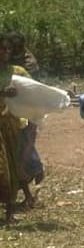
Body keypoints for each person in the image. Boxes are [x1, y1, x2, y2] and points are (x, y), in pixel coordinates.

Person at [8, 33, 44, 207]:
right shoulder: (8, 65)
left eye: (14, 48)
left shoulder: (28, 65)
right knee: (17, 155)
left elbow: (32, 89)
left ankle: (34, 189)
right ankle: (28, 195)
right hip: (11, 114)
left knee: (26, 151)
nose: (11, 51)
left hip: (28, 110)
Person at [0, 34, 29, 223]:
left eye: (7, 49)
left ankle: (9, 212)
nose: (5, 52)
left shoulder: (17, 71)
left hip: (11, 125)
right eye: (2, 49)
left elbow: (32, 90)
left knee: (11, 166)